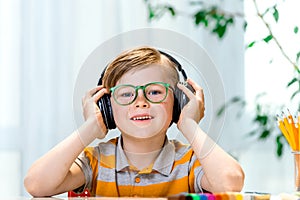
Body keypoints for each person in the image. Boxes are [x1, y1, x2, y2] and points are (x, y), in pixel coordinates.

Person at [24, 46, 244, 197]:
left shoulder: (190, 163)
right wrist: (89, 128)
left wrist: (189, 124)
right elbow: (36, 184)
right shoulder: (97, 161)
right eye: (126, 94)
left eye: (155, 92)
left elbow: (231, 183)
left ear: (178, 103)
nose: (141, 102)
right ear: (107, 107)